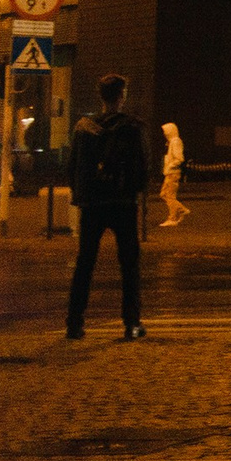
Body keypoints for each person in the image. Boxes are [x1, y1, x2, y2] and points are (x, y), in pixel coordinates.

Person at [66, 74, 151, 341]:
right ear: (121, 96)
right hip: (123, 204)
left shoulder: (82, 128)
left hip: (92, 204)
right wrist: (134, 191)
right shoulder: (131, 128)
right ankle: (131, 323)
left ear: (100, 96)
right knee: (129, 265)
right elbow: (142, 168)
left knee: (85, 263)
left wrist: (82, 193)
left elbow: (72, 166)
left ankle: (75, 323)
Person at [157, 121, 189, 228]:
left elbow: (179, 158)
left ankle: (175, 215)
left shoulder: (175, 142)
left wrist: (170, 166)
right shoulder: (172, 142)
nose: (165, 134)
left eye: (166, 132)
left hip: (173, 173)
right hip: (170, 173)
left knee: (169, 195)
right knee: (164, 194)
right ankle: (178, 212)